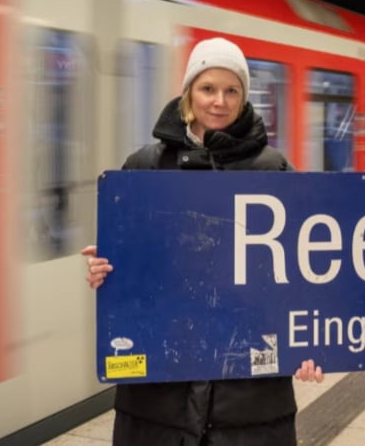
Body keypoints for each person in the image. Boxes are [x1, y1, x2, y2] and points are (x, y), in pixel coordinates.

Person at [81, 37, 324, 446]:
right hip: (158, 403)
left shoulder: (274, 169)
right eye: (208, 88)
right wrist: (105, 271)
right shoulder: (144, 167)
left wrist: (311, 345)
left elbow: (301, 274)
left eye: (232, 91)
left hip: (249, 405)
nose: (220, 101)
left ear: (245, 98)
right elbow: (129, 269)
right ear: (189, 92)